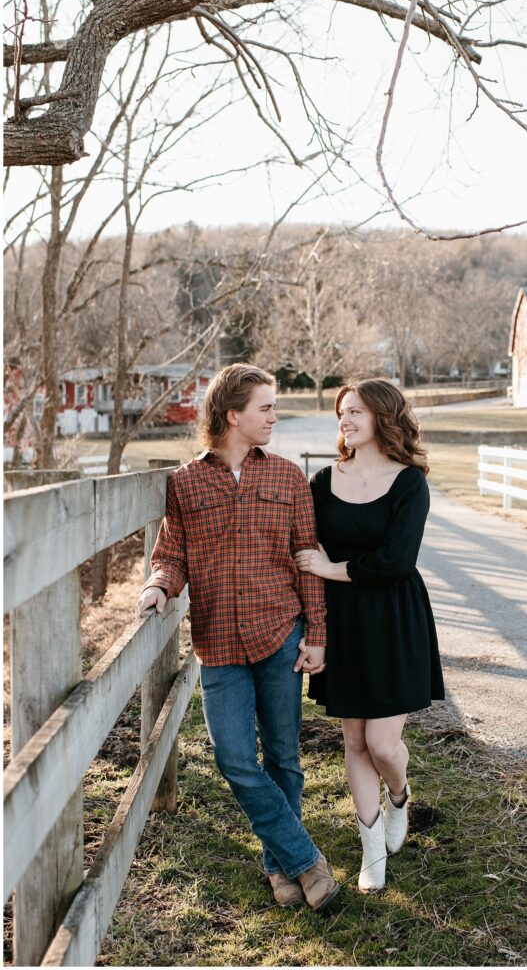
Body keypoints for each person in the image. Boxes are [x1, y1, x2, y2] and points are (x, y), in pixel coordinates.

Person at [136, 363, 340, 912]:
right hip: (219, 641)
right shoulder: (183, 483)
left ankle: (280, 870)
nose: (274, 416)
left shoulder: (287, 478)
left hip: (279, 632)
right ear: (233, 415)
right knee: (233, 758)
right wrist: (159, 585)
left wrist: (315, 634)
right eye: (265, 408)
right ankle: (305, 860)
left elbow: (309, 564)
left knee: (283, 756)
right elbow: (171, 553)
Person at [295, 378, 444, 893]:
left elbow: (396, 560)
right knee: (354, 740)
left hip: (394, 619)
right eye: (342, 413)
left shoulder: (410, 483)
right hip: (342, 622)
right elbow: (299, 546)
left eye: (355, 411)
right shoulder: (321, 481)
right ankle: (371, 849)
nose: (346, 421)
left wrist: (330, 568)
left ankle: (399, 796)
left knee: (383, 743)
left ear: (383, 416)